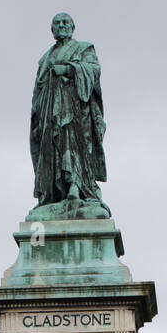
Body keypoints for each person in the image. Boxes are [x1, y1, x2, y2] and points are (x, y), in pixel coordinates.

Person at [29, 13, 108, 211]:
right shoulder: (44, 59)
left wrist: (68, 70)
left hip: (73, 109)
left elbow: (93, 70)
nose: (61, 25)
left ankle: (76, 186)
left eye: (65, 22)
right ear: (52, 29)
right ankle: (53, 194)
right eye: (57, 23)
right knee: (51, 148)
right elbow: (38, 88)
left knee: (73, 145)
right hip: (49, 111)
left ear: (73, 28)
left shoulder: (84, 48)